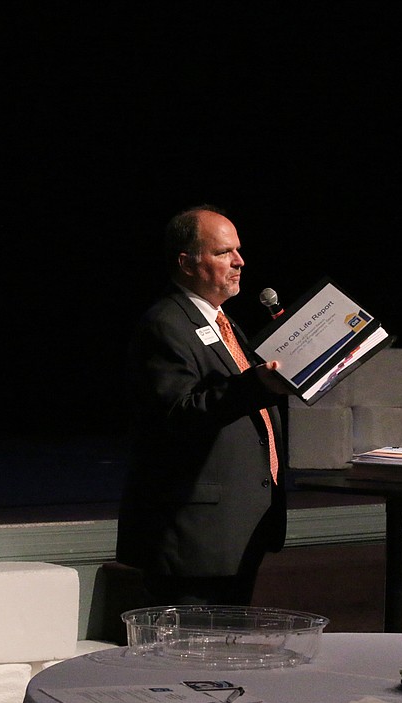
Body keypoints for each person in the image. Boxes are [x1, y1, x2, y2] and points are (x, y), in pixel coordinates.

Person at [116, 205, 290, 606]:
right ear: (187, 263)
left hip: (236, 528)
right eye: (223, 252)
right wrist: (256, 384)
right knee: (188, 661)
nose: (239, 261)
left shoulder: (224, 322)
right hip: (194, 539)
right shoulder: (165, 325)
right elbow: (177, 415)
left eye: (238, 251)